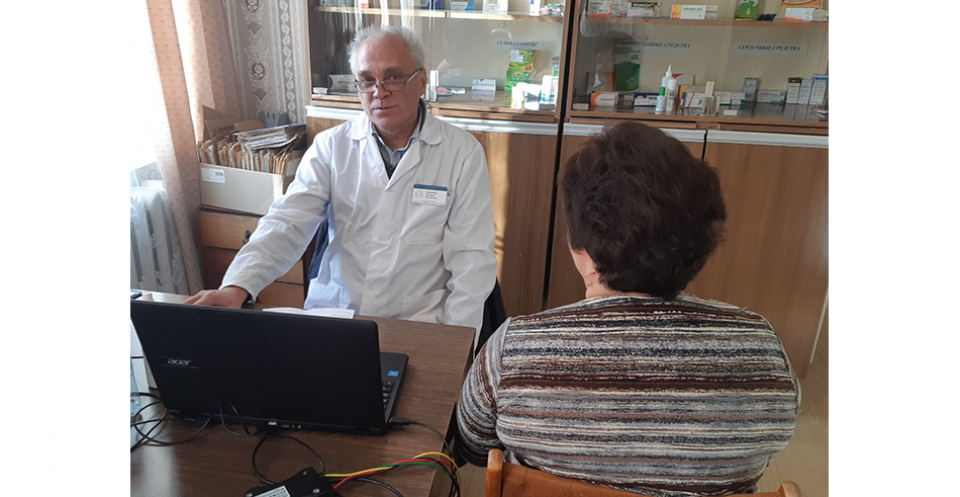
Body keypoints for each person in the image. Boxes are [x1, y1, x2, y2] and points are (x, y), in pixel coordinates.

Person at [456, 121, 800, 497]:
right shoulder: (764, 352)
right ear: (701, 244)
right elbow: (760, 457)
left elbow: (473, 448)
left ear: (581, 248)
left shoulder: (513, 350)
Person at [186, 25, 497, 335]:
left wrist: (457, 342)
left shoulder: (461, 153)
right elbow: (287, 223)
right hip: (337, 316)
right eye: (367, 80)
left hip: (418, 322)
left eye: (393, 76)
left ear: (421, 81)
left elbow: (470, 258)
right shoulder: (331, 147)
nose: (379, 92)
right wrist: (237, 286)